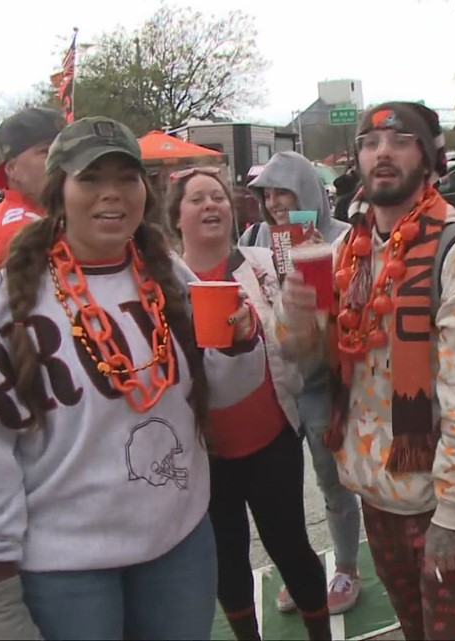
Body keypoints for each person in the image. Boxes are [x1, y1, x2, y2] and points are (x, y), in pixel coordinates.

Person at [0, 117, 266, 640]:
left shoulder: (172, 278)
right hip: (63, 572)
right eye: (90, 179)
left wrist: (239, 343)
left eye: (126, 178)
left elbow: (220, 396)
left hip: (178, 550)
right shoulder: (1, 304)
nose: (111, 194)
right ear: (58, 190)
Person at [282, 101, 455, 640]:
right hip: (375, 491)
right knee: (414, 629)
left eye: (401, 141)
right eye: (370, 143)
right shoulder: (345, 252)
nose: (382, 152)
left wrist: (452, 513)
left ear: (429, 159)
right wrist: (296, 318)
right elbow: (310, 362)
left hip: (442, 499)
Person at [168, 166, 331, 640]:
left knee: (291, 547)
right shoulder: (163, 281)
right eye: (196, 199)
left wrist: (306, 297)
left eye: (217, 196)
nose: (210, 205)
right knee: (227, 556)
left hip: (271, 438)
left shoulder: (265, 262)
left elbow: (302, 340)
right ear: (176, 217)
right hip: (204, 452)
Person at [238, 151, 365, 615]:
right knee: (280, 494)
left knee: (335, 481)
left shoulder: (344, 238)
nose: (272, 203)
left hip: (329, 380)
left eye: (282, 192)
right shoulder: (254, 238)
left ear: (306, 191)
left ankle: (347, 569)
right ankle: (304, 573)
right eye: (265, 194)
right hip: (277, 383)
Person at [0, 107, 65, 269]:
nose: (61, 160)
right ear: (12, 169)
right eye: (46, 151)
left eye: (64, 150)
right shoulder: (18, 234)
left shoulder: (45, 214)